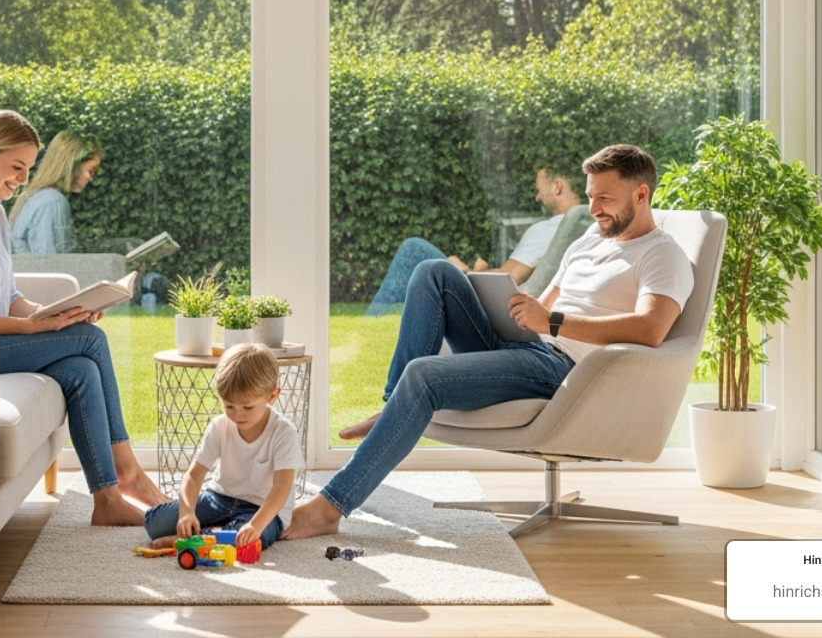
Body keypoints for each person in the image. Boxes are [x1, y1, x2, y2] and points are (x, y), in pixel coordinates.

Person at [284, 144, 694, 540]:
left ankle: (330, 507)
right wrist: (511, 305)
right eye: (590, 197)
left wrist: (550, 322)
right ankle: (396, 406)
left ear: (641, 194)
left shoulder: (661, 254)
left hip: (565, 370)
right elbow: (542, 303)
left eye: (605, 198)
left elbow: (650, 329)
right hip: (528, 347)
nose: (594, 209)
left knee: (423, 377)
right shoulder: (588, 239)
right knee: (434, 272)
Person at [0, 111, 166, 526]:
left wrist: (52, 313)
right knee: (91, 340)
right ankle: (128, 473)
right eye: (17, 167)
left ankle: (107, 498)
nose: (23, 179)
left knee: (79, 365)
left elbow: (8, 297)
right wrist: (31, 328)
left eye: (28, 168)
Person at [363, 167, 584, 317]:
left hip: (496, 309)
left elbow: (510, 278)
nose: (537, 198)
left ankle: (371, 322)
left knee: (413, 249)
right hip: (520, 305)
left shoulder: (548, 228)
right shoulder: (586, 226)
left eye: (539, 190)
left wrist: (466, 271)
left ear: (557, 186)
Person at [145, 343, 304, 552]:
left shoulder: (283, 432)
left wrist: (255, 525)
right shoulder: (220, 426)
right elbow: (194, 475)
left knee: (248, 539)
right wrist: (187, 512)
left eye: (247, 407)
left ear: (271, 396)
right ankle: (209, 534)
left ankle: (195, 539)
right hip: (219, 499)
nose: (238, 414)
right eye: (229, 406)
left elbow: (281, 488)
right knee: (154, 522)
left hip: (261, 509)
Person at [10, 131, 102, 254]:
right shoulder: (52, 201)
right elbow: (53, 263)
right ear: (72, 165)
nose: (91, 178)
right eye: (91, 170)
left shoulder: (36, 197)